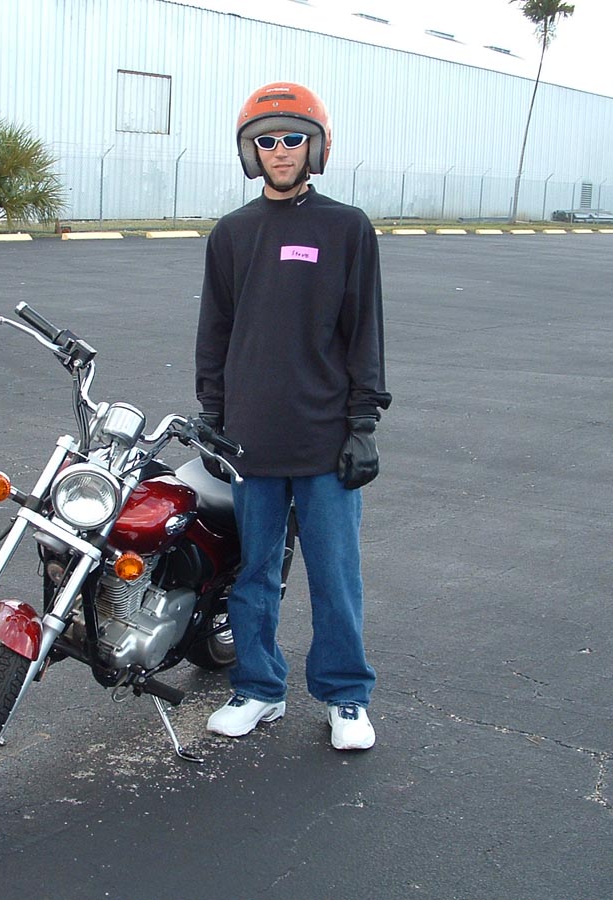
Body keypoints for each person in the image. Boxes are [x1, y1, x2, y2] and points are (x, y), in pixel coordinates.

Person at [195, 82, 392, 751]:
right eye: (268, 140)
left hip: (326, 441)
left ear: (317, 146)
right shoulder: (232, 234)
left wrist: (363, 423)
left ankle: (345, 697)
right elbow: (215, 331)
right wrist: (212, 412)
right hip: (251, 439)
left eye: (293, 138)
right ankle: (258, 688)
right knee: (253, 574)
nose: (281, 150)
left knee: (334, 577)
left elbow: (364, 331)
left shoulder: (346, 228)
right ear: (251, 152)